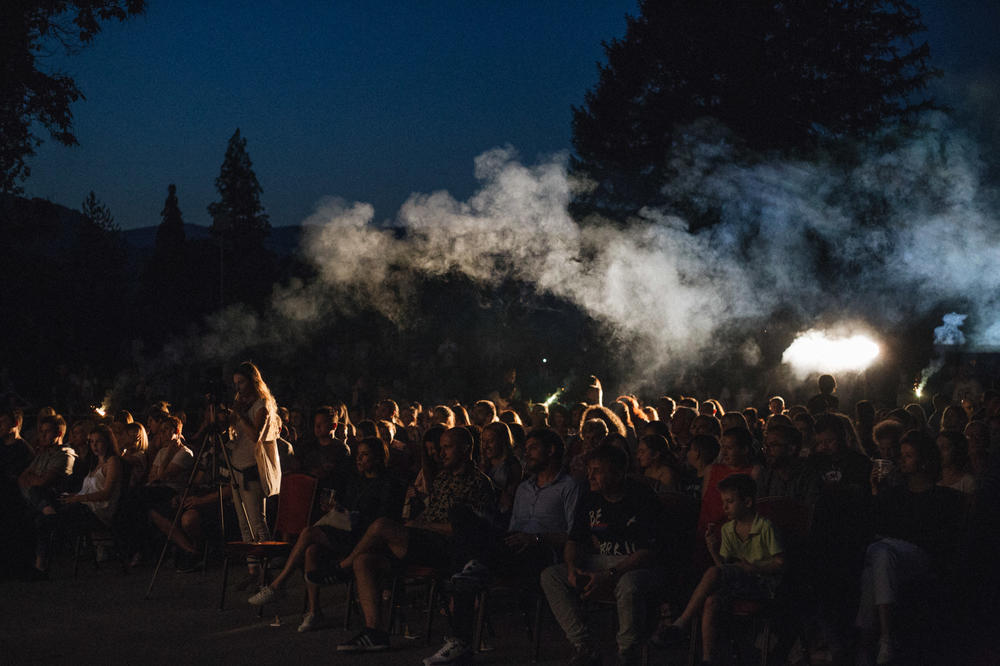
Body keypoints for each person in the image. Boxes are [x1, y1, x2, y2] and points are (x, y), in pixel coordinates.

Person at [424, 427, 581, 665]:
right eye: (525, 449)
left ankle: (461, 638)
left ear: (551, 451)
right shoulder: (525, 488)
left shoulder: (569, 486)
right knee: (461, 514)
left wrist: (536, 538)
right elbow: (512, 527)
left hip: (542, 552)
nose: (527, 454)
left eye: (533, 449)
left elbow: (574, 536)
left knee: (467, 573)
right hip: (512, 545)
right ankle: (472, 576)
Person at [334, 427, 495, 652]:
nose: (441, 453)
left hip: (447, 548)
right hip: (423, 541)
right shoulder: (442, 479)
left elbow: (467, 532)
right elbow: (430, 514)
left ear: (466, 449)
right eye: (440, 448)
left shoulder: (478, 483)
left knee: (381, 525)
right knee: (365, 561)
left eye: (447, 447)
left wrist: (420, 525)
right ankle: (375, 632)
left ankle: (342, 566)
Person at [247, 437, 405, 632]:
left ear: (378, 457)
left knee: (308, 533)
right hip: (349, 531)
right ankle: (314, 612)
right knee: (311, 549)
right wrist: (336, 508)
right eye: (358, 455)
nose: (359, 460)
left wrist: (351, 515)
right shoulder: (357, 480)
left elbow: (384, 518)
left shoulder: (389, 483)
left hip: (366, 539)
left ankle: (278, 584)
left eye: (365, 455)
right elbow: (350, 507)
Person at [540, 444, 664, 666]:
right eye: (589, 470)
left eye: (597, 471)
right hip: (603, 561)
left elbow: (648, 551)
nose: (590, 476)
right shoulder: (590, 497)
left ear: (617, 473)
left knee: (629, 584)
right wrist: (571, 567)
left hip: (637, 565)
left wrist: (610, 574)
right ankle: (583, 645)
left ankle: (627, 651)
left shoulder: (641, 497)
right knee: (551, 576)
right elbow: (574, 540)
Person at [857, 429, 964, 664]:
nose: (901, 460)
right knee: (873, 566)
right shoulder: (894, 495)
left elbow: (941, 542)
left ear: (924, 459)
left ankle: (868, 643)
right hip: (891, 560)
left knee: (878, 555)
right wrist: (875, 491)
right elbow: (875, 527)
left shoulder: (944, 498)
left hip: (923, 560)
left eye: (908, 456)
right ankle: (883, 641)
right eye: (902, 455)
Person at [653, 474, 784, 666]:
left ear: (747, 502)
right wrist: (713, 549)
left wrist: (754, 567)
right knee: (711, 601)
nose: (725, 507)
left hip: (763, 582)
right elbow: (724, 568)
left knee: (714, 574)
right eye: (723, 502)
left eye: (730, 502)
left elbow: (781, 563)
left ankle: (681, 623)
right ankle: (708, 659)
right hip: (739, 581)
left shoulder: (764, 527)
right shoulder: (728, 529)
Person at [227, 362, 282, 578]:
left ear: (252, 381)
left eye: (241, 382)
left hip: (252, 468)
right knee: (244, 524)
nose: (238, 387)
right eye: (235, 383)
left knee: (257, 522)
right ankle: (253, 571)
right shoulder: (241, 403)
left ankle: (267, 572)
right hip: (237, 467)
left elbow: (255, 436)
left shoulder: (262, 405)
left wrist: (240, 414)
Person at [18, 413, 76, 578]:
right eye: (41, 431)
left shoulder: (66, 454)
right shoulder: (42, 456)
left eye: (47, 432)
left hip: (57, 500)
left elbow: (44, 481)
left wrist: (34, 479)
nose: (42, 435)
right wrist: (34, 480)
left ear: (58, 434)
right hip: (36, 502)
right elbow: (22, 478)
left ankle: (39, 567)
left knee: (38, 510)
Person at [57, 424, 124, 560]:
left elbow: (107, 493)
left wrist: (78, 499)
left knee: (65, 512)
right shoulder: (94, 463)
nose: (94, 445)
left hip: (100, 510)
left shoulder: (112, 462)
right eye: (91, 442)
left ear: (107, 442)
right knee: (58, 501)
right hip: (87, 505)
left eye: (98, 441)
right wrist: (74, 496)